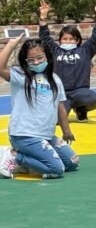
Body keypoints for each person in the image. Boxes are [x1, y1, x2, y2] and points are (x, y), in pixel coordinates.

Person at [0, 36, 78, 179]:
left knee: (72, 162)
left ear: (47, 56)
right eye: (31, 60)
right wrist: (11, 44)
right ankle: (15, 156)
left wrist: (66, 131)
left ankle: (27, 163)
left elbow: (60, 106)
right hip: (25, 135)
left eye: (40, 58)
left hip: (46, 135)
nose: (36, 62)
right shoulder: (20, 76)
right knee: (56, 169)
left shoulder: (55, 79)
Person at [39, 0, 96, 122]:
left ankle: (81, 108)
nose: (68, 41)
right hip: (61, 94)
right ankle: (62, 109)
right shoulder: (55, 50)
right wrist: (43, 16)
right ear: (60, 40)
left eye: (71, 39)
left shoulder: (85, 50)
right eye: (65, 39)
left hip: (80, 91)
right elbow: (44, 38)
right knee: (56, 121)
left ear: (78, 40)